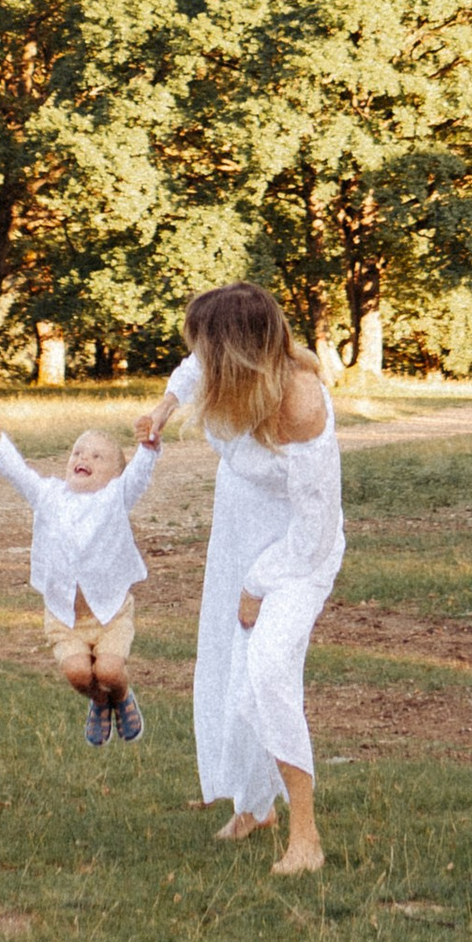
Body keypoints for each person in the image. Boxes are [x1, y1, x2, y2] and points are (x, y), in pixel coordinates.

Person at [138, 284, 343, 875]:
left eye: (208, 347)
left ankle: (305, 835)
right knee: (230, 663)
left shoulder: (299, 402)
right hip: (239, 526)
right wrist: (162, 408)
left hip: (297, 549)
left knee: (268, 668)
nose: (200, 358)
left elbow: (317, 528)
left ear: (239, 353)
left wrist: (257, 583)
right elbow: (189, 369)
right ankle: (255, 807)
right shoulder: (218, 370)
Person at [0, 419, 158, 745]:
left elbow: (138, 476)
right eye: (78, 452)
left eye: (97, 457)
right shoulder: (48, 495)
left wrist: (148, 448)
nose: (83, 459)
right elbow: (17, 472)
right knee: (79, 674)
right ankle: (99, 699)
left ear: (115, 475)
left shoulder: (115, 497)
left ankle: (120, 693)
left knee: (108, 670)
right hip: (65, 618)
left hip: (110, 614)